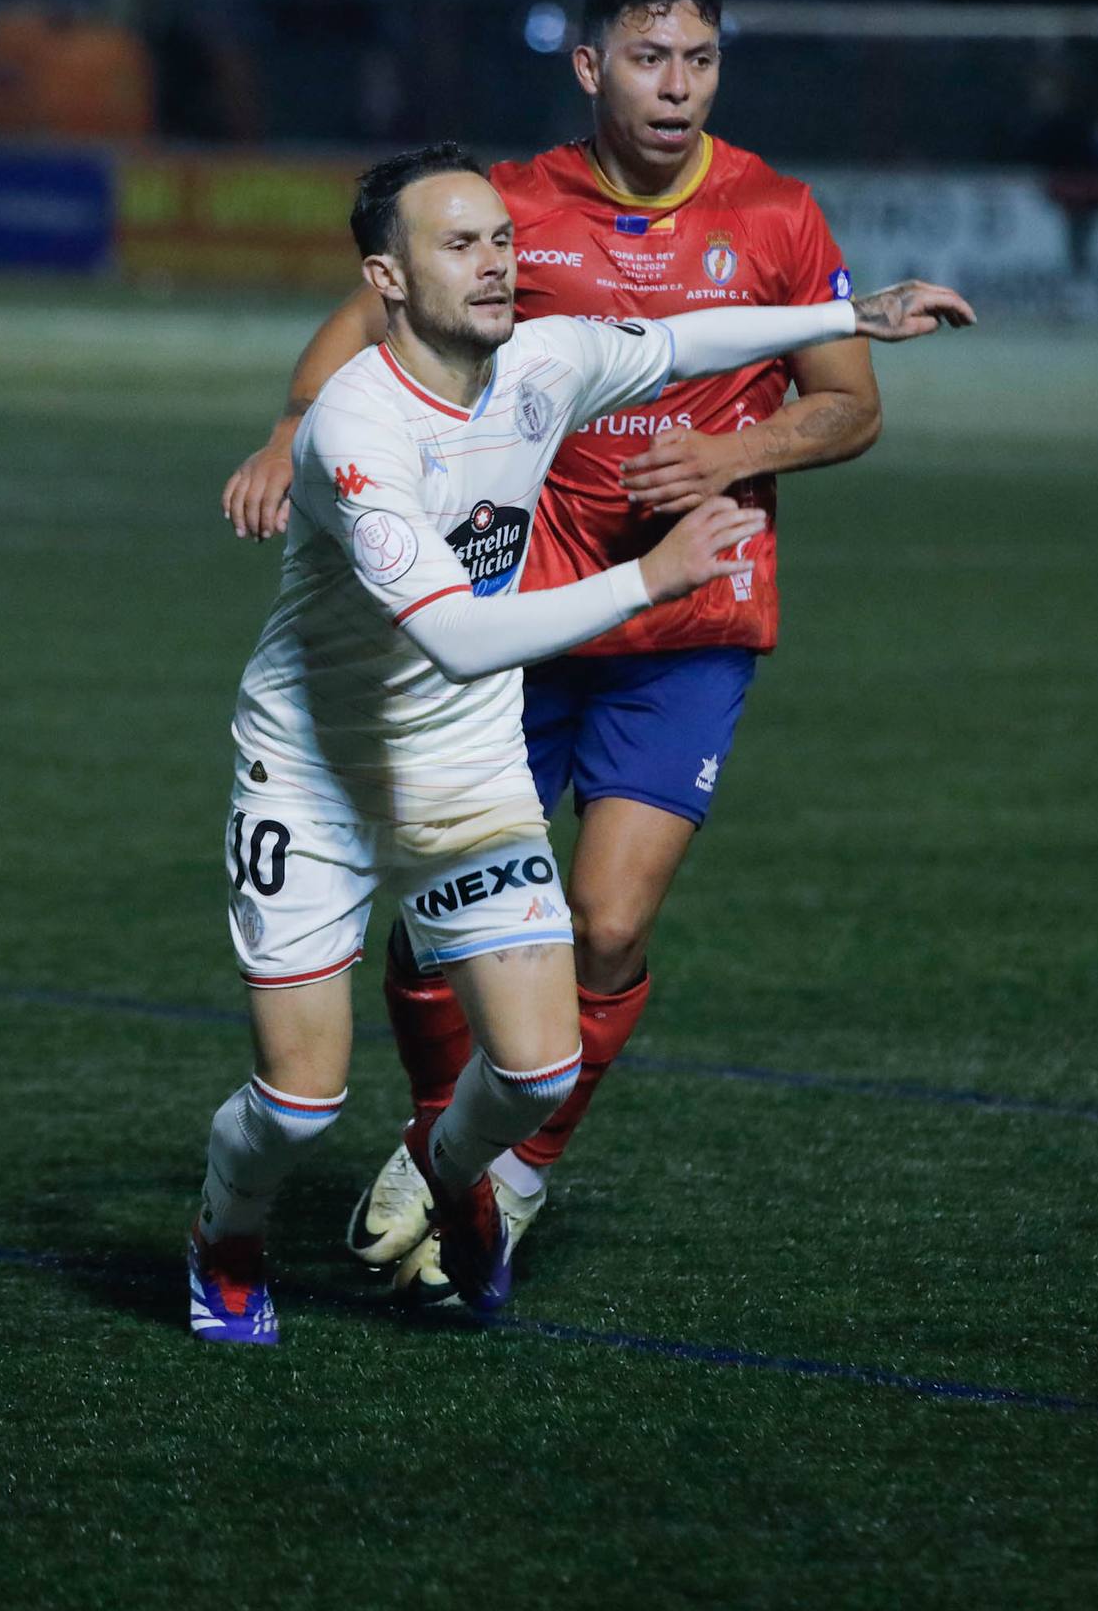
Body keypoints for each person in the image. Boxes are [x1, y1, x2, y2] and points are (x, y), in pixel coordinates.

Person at [186, 142, 970, 1343]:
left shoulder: (541, 362)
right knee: (297, 1105)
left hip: (464, 770)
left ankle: (454, 1181)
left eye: (501, 240)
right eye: (460, 246)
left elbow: (681, 341)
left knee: (538, 1074)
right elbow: (455, 635)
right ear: (385, 280)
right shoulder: (355, 434)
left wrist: (848, 314)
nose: (496, 264)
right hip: (317, 775)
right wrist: (649, 579)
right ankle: (225, 1243)